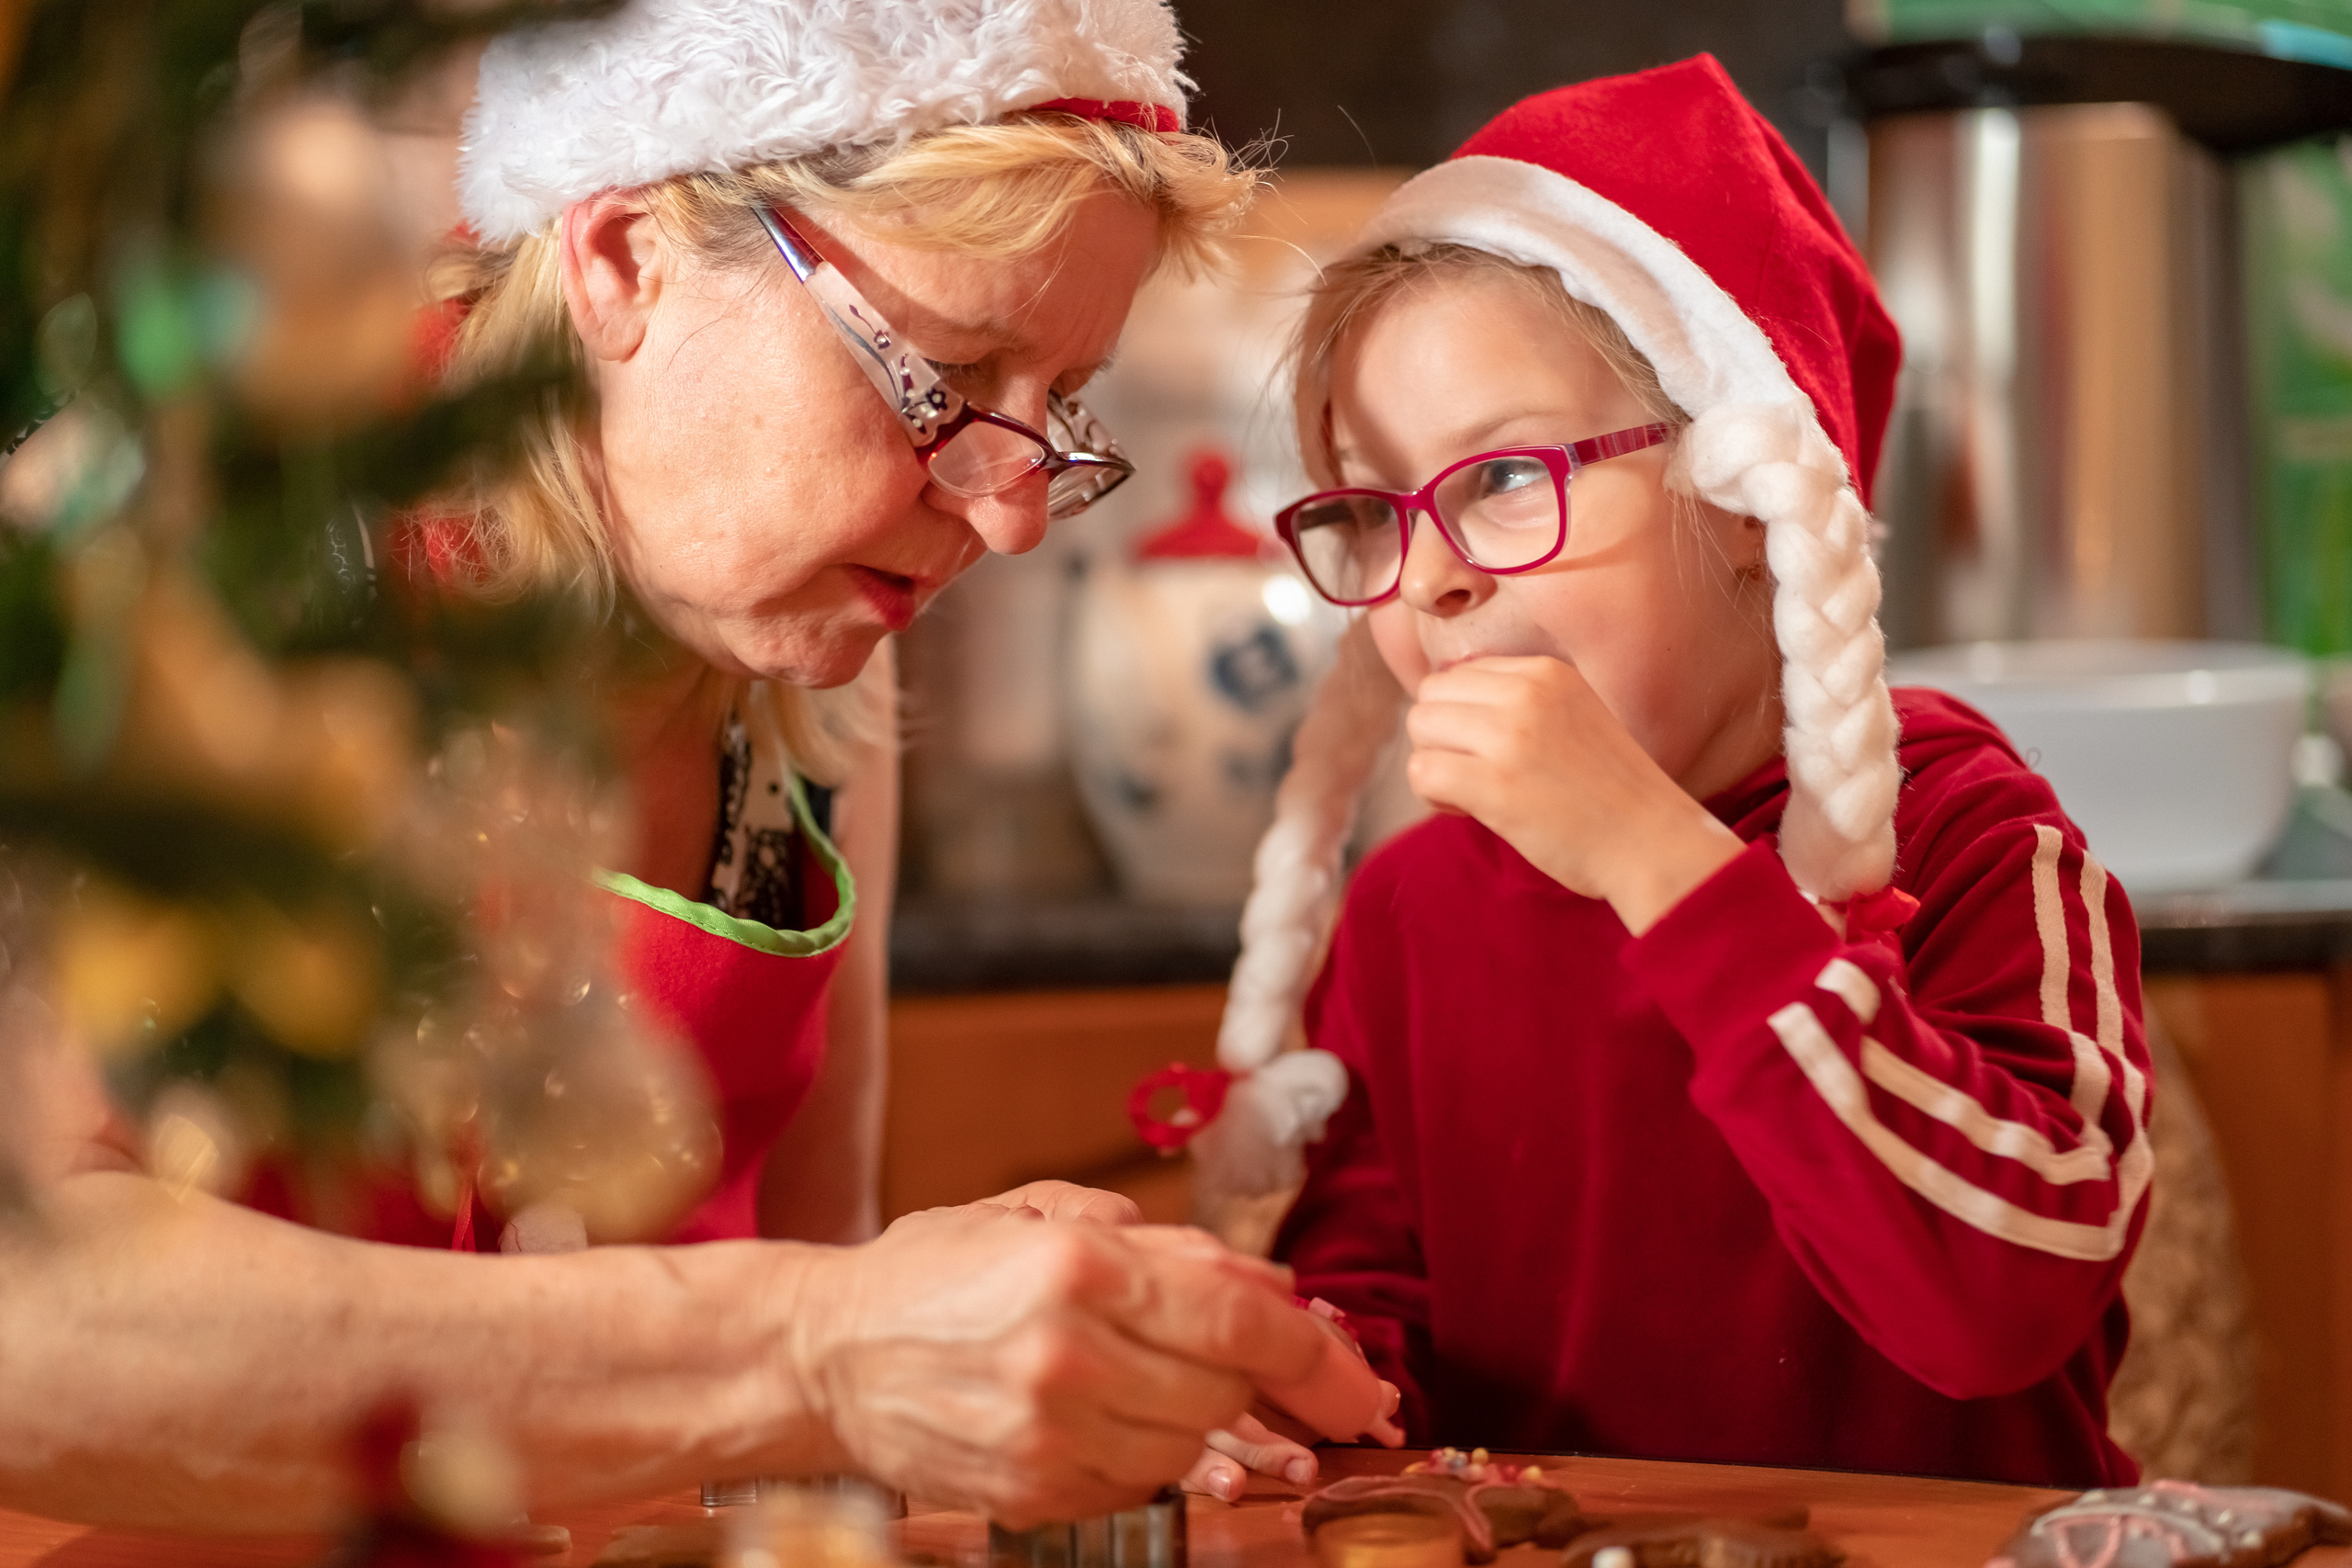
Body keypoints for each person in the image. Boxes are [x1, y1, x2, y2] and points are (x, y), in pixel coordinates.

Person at [0, 0, 1368, 1531]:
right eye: (945, 376)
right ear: (623, 259)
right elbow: (27, 1319)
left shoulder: (809, 659)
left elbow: (797, 1325)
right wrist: (823, 1345)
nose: (1011, 514)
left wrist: (998, 1362)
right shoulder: (159, 559)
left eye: (1062, 406)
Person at [1230, 56, 2152, 1486]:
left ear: (1742, 495)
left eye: (1506, 476)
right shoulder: (1411, 910)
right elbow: (1382, 1317)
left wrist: (1669, 872)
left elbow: (2006, 1299)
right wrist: (1272, 1377)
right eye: (1378, 507)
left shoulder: (1970, 834)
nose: (1433, 581)